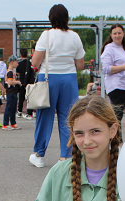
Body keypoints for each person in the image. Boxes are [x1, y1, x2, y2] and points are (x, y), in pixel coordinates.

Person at [29, 4, 85, 167]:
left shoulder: (46, 35)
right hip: (69, 78)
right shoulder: (75, 36)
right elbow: (80, 65)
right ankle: (66, 156)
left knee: (44, 118)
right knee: (68, 118)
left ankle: (39, 155)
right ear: (67, 18)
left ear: (51, 18)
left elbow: (35, 61)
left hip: (48, 78)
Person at [101, 24, 125, 124]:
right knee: (116, 116)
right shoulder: (109, 48)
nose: (117, 35)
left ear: (123, 34)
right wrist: (124, 67)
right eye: (115, 33)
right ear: (111, 35)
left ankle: (116, 138)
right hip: (116, 86)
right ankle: (116, 138)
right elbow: (106, 68)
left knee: (119, 115)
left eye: (119, 33)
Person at [3, 55, 22, 130]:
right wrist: (17, 82)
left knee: (13, 108)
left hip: (13, 92)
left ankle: (13, 123)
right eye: (16, 62)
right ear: (12, 62)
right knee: (9, 107)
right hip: (10, 92)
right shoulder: (10, 72)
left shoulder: (12, 71)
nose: (17, 64)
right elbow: (10, 82)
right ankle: (5, 124)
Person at [16, 48, 35, 119]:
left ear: (21, 55)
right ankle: (29, 111)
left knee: (21, 97)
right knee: (29, 97)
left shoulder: (19, 64)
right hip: (29, 82)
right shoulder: (29, 61)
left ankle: (19, 111)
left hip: (22, 81)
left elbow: (18, 73)